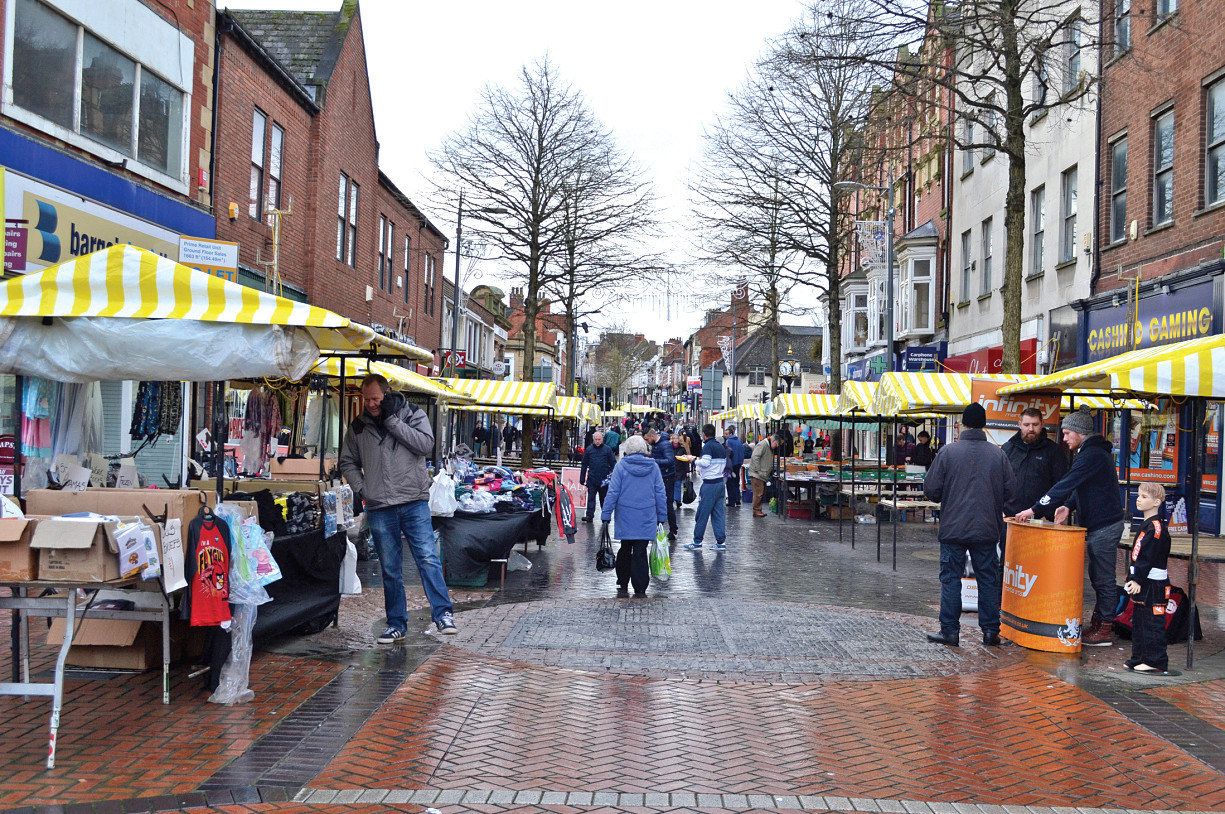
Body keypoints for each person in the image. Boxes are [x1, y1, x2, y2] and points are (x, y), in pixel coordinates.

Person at [339, 374, 456, 643]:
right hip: (380, 505)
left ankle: (443, 614)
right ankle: (396, 624)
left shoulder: (412, 413)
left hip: (413, 500)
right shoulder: (358, 426)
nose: (370, 404)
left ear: (387, 393)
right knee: (390, 568)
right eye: (366, 399)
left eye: (376, 399)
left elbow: (426, 445)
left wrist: (391, 421)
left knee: (427, 558)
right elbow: (348, 462)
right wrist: (363, 488)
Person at [1015, 406, 1125, 646]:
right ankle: (1100, 622)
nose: (1063, 439)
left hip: (1104, 525)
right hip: (1099, 524)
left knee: (1103, 577)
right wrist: (1070, 506)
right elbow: (1083, 486)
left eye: (1066, 433)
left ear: (1079, 432)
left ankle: (1105, 627)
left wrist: (1034, 508)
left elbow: (1067, 483)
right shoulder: (1089, 452)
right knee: (1098, 575)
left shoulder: (1092, 454)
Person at [922, 403, 1015, 647]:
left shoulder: (948, 452)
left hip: (953, 527)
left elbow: (931, 490)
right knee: (988, 579)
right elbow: (1010, 490)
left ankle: (950, 632)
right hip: (987, 528)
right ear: (984, 424)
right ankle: (990, 632)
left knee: (951, 579)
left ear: (962, 424)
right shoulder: (998, 455)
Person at [602, 435, 668, 597]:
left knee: (625, 548)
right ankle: (640, 586)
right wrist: (662, 515)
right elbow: (660, 493)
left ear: (628, 450)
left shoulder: (621, 466)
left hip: (625, 514)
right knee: (640, 550)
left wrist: (606, 513)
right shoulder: (653, 467)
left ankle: (623, 581)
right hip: (646, 515)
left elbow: (613, 492)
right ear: (644, 449)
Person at [1000, 407, 1068, 558]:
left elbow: (1061, 486)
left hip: (1041, 522)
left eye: (1035, 424)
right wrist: (1000, 510)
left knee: (1037, 567)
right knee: (1007, 565)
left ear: (1042, 424)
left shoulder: (1054, 451)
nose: (1031, 429)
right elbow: (997, 482)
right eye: (1027, 424)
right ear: (1019, 424)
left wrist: (1048, 515)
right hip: (1010, 521)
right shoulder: (1007, 448)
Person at [1124, 482, 1174, 675]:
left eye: (1144, 497)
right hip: (1143, 581)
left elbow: (1147, 556)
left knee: (1153, 622)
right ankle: (1139, 657)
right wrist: (1133, 577)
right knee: (1139, 621)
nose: (1139, 499)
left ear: (1157, 501)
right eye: (1139, 495)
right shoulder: (1147, 525)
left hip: (1153, 584)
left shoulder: (1156, 528)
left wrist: (1137, 579)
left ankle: (1156, 660)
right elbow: (1139, 556)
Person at [685, 424, 728, 551]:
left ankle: (697, 541)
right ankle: (721, 542)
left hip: (710, 484)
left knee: (702, 514)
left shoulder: (708, 447)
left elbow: (705, 462)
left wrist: (692, 461)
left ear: (704, 434)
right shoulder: (720, 447)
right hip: (720, 483)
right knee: (718, 514)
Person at [644, 426, 679, 540]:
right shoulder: (657, 445)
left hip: (667, 477)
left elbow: (669, 461)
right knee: (659, 502)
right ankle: (659, 527)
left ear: (652, 436)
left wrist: (653, 461)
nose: (647, 442)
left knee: (667, 503)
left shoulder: (664, 445)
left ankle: (673, 530)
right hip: (661, 476)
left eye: (647, 439)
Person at [579, 430, 616, 521]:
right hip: (592, 478)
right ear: (593, 439)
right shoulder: (589, 449)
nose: (597, 441)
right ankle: (589, 515)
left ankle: (605, 517)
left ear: (602, 439)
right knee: (591, 498)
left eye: (599, 439)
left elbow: (613, 463)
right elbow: (584, 464)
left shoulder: (607, 450)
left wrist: (614, 477)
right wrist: (582, 478)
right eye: (596, 439)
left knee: (604, 499)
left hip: (604, 480)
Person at [748, 433, 778, 517]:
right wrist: (758, 469)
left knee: (761, 492)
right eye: (776, 444)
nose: (776, 446)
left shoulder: (768, 446)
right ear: (773, 441)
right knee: (759, 493)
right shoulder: (763, 445)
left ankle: (758, 509)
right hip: (757, 474)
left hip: (762, 474)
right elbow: (755, 456)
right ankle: (756, 510)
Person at [724, 425, 746, 508]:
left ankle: (731, 501)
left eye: (726, 434)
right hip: (738, 463)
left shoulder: (729, 441)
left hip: (732, 464)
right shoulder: (739, 440)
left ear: (730, 434)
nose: (725, 435)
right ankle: (737, 499)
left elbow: (728, 453)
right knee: (736, 481)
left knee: (730, 483)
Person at [671, 431, 690, 509]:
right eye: (674, 438)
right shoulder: (669, 448)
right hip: (671, 469)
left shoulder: (682, 449)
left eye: (677, 438)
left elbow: (685, 460)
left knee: (678, 485)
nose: (675, 440)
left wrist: (687, 471)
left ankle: (677, 500)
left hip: (680, 469)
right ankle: (672, 499)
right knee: (672, 485)